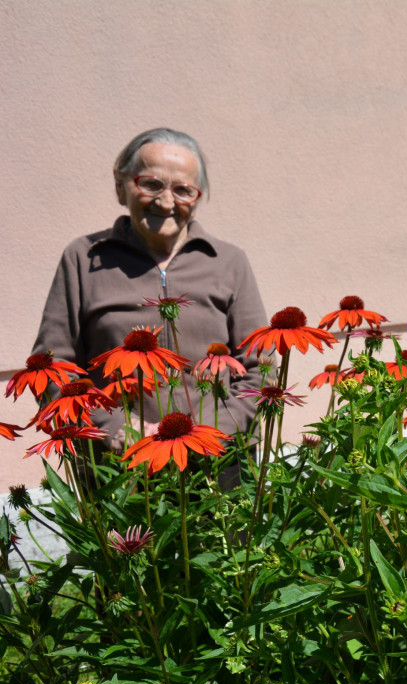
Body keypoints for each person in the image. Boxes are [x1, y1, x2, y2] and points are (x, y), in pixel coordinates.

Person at [31, 128, 269, 453]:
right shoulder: (83, 259)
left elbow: (259, 368)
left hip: (218, 458)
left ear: (197, 199)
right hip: (119, 464)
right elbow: (51, 370)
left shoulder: (228, 262)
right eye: (151, 184)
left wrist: (207, 433)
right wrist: (115, 429)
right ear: (121, 186)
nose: (166, 201)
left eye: (183, 190)